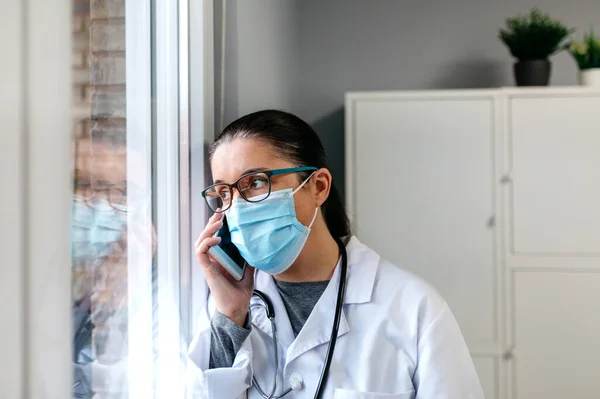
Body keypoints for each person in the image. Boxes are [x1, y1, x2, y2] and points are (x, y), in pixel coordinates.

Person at [185, 110, 484, 399]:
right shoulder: (226, 310)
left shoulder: (412, 307)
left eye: (256, 182)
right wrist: (231, 316)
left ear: (318, 186)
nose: (236, 207)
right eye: (224, 193)